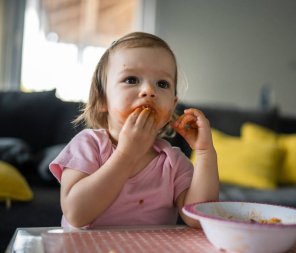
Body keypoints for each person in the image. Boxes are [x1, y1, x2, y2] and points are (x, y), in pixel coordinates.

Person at [49, 32, 219, 229]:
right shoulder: (88, 146)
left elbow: (198, 219)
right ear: (102, 99)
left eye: (162, 83)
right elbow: (77, 214)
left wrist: (205, 152)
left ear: (172, 106)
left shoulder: (173, 162)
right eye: (131, 80)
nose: (149, 90)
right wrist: (126, 154)